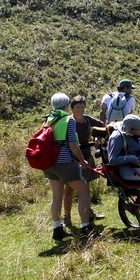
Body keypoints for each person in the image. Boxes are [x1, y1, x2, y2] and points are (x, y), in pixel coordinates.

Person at [43, 93, 97, 240]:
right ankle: (86, 227)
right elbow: (73, 144)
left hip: (49, 164)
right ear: (67, 105)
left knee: (57, 197)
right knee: (84, 192)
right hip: (65, 162)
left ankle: (57, 229)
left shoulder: (49, 119)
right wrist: (83, 161)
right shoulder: (68, 120)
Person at [62, 95, 105, 228]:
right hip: (73, 158)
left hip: (86, 155)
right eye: (77, 107)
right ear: (72, 108)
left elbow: (102, 125)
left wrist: (97, 138)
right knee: (69, 189)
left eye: (82, 106)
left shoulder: (87, 120)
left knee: (86, 187)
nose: (80, 109)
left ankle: (89, 212)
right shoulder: (68, 121)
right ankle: (66, 217)